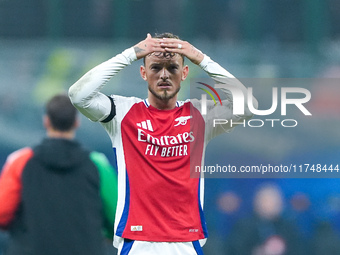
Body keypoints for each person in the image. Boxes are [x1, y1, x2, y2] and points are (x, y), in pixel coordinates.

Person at [68, 32, 257, 255]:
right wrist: (131, 54)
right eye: (156, 67)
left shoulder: (199, 115)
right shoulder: (123, 113)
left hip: (186, 243)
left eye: (173, 68)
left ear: (185, 72)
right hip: (138, 243)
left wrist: (200, 58)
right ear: (143, 72)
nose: (164, 75)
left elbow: (247, 106)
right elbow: (79, 95)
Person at [0, 94, 118, 255]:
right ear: (76, 122)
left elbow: (2, 213)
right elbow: (117, 220)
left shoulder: (20, 161)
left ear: (46, 121)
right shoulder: (98, 164)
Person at [226, 183, 304, 255]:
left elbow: (298, 249)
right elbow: (235, 249)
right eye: (267, 200)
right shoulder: (244, 226)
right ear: (257, 202)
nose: (273, 204)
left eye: (276, 201)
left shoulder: (288, 226)